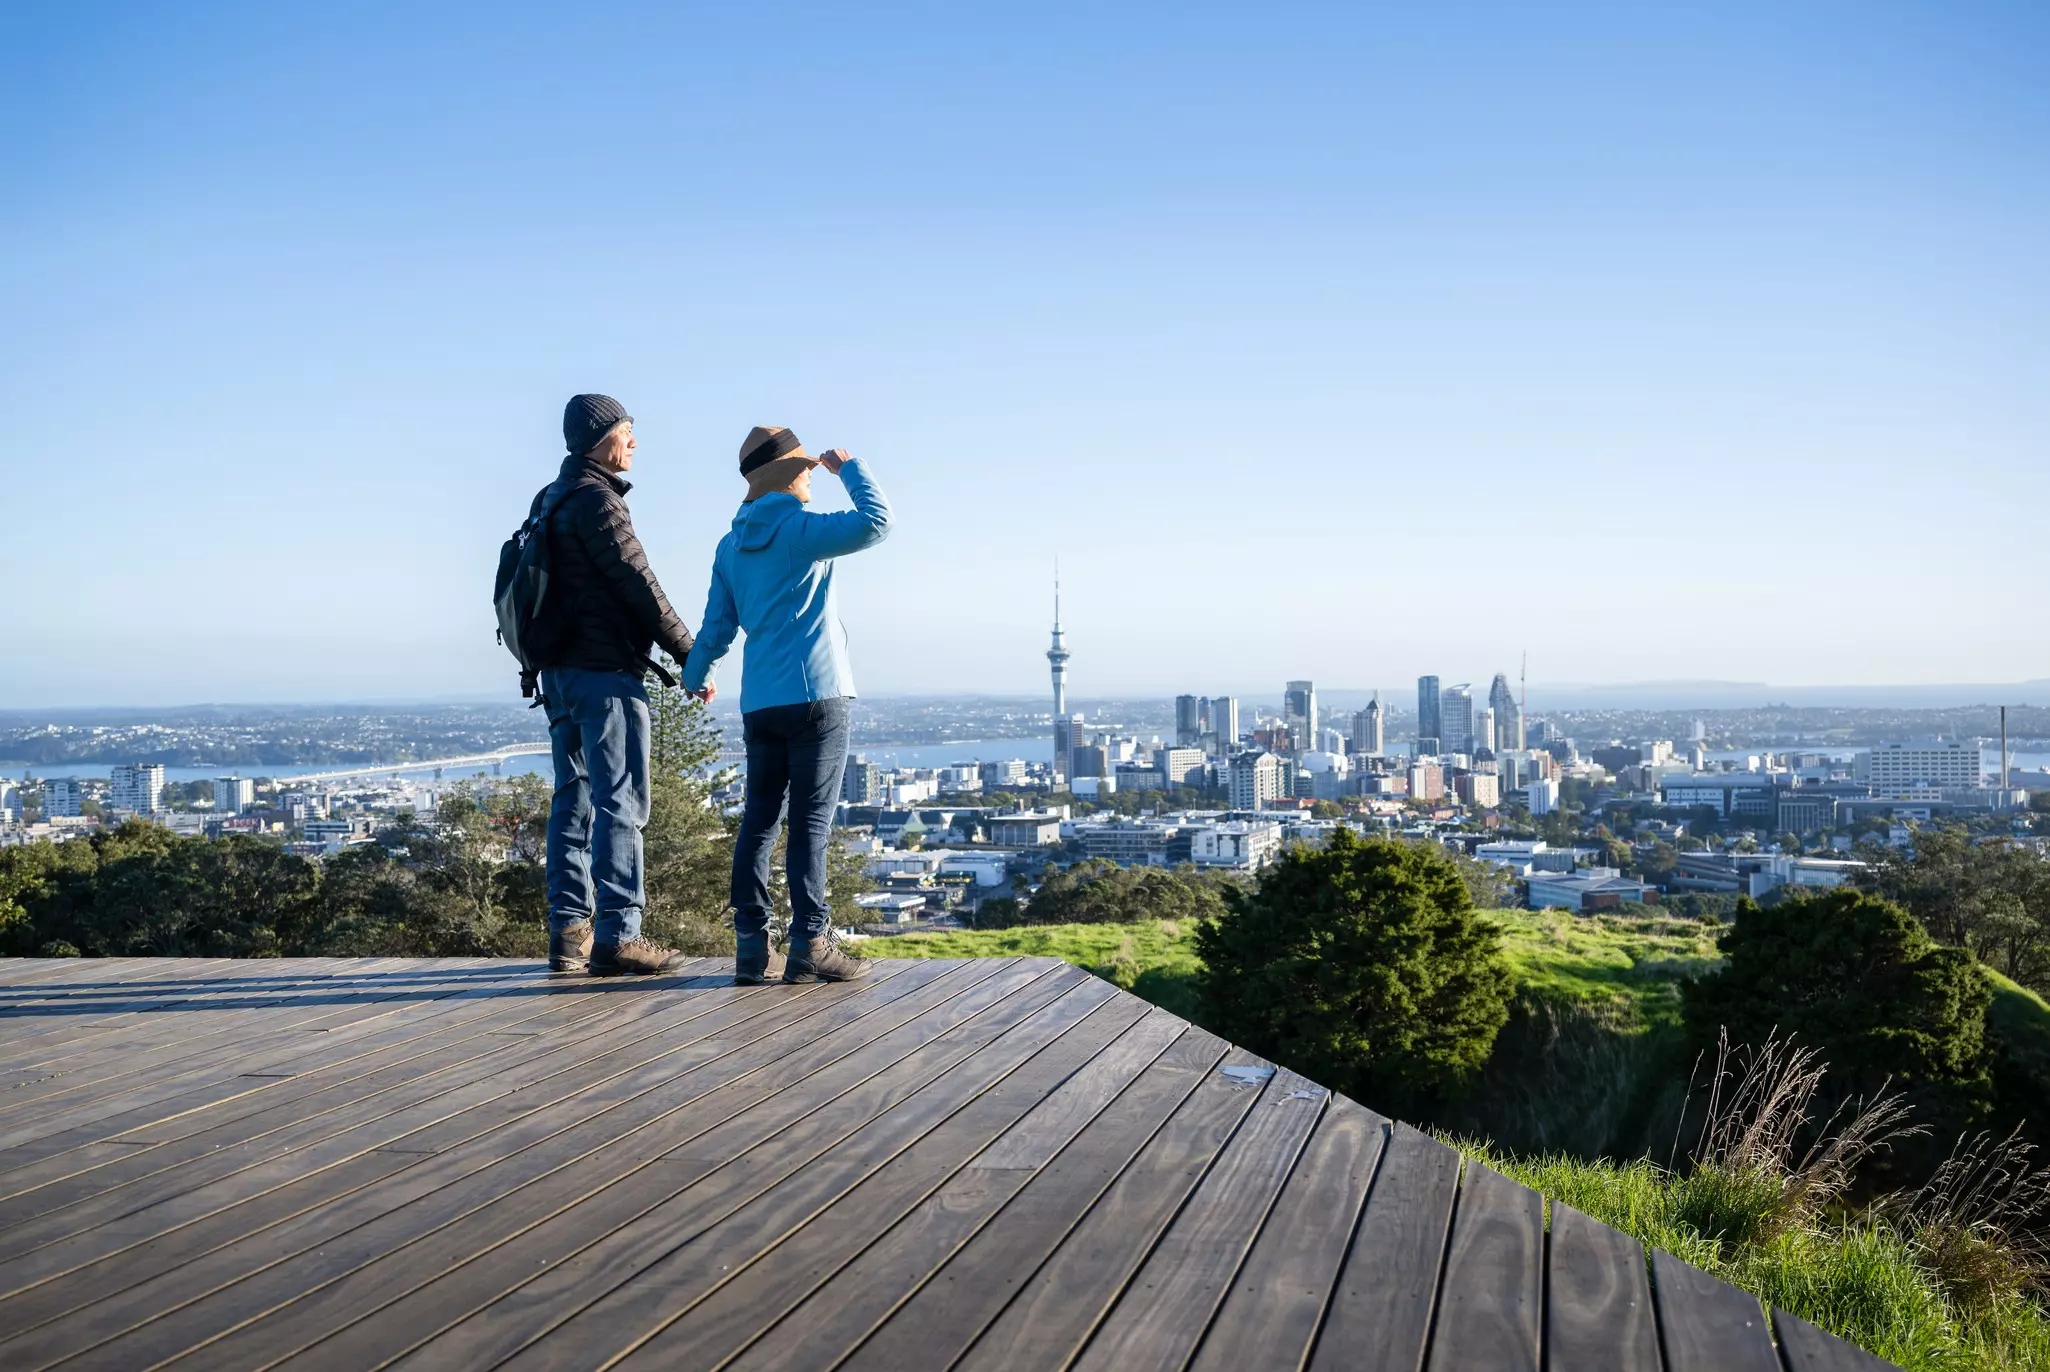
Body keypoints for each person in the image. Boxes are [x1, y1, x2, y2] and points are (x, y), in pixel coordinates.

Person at [682, 425, 893, 986]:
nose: (811, 477)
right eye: (805, 469)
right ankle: (811, 945)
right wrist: (849, 468)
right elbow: (878, 523)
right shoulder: (800, 530)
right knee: (810, 825)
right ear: (789, 474)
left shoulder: (729, 547)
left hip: (761, 703)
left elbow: (715, 628)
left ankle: (752, 946)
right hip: (818, 697)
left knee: (759, 822)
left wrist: (695, 675)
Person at [533, 394, 699, 977]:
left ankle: (568, 930)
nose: (634, 443)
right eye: (629, 431)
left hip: (557, 674)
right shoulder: (598, 502)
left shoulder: (551, 498)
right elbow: (638, 582)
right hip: (605, 673)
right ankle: (620, 935)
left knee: (572, 798)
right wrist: (690, 655)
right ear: (604, 437)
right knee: (621, 801)